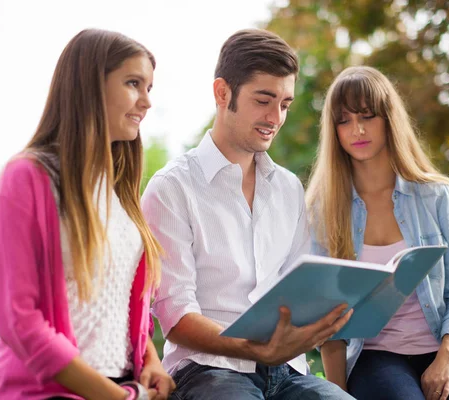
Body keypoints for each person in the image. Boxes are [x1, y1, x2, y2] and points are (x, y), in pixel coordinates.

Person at [141, 29, 354, 400]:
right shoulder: (171, 188)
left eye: (285, 104)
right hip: (207, 371)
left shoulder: (288, 188)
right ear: (222, 93)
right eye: (263, 100)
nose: (276, 117)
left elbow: (299, 289)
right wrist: (257, 350)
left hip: (288, 373)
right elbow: (175, 317)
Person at [305, 66, 449, 400]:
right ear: (333, 130)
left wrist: (448, 357)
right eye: (344, 120)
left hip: (447, 347)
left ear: (389, 119)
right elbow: (326, 316)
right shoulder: (323, 208)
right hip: (375, 356)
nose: (357, 129)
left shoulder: (436, 195)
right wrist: (338, 390)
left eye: (368, 115)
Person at [0, 29, 175, 400]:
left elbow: (123, 304)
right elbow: (19, 321)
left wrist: (151, 360)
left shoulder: (120, 190)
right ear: (89, 85)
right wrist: (115, 397)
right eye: (133, 83)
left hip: (126, 385)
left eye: (149, 88)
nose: (146, 102)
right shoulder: (26, 177)